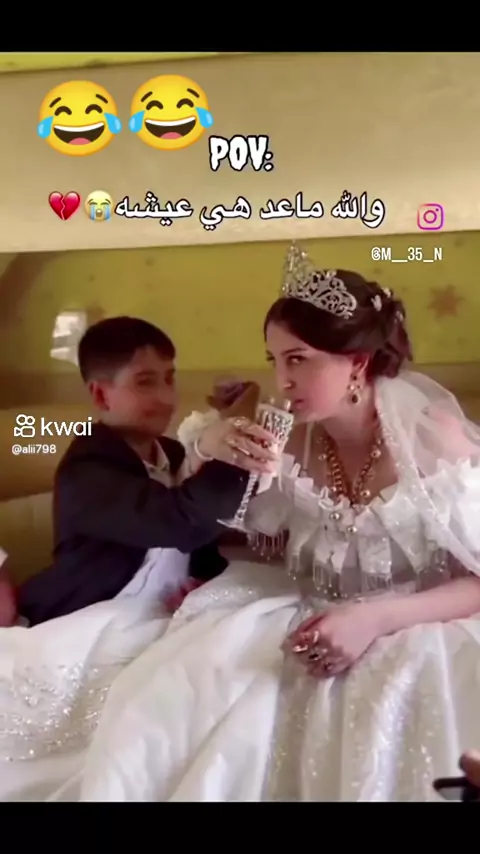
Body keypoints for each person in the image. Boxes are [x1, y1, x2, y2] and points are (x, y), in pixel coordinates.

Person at [66, 244, 480, 803]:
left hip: (421, 625)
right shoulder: (287, 441)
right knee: (178, 705)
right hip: (303, 612)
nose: (282, 381)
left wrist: (375, 618)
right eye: (275, 361)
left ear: (357, 362)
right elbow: (208, 517)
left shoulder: (435, 438)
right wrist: (213, 438)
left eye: (298, 359)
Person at [0, 316, 276, 798]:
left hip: (165, 617)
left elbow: (199, 542)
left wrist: (202, 583)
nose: (167, 397)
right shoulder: (87, 469)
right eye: (146, 382)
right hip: (96, 617)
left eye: (170, 378)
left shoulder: (171, 450)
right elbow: (181, 521)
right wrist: (236, 443)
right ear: (101, 395)